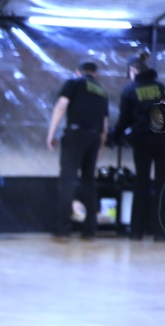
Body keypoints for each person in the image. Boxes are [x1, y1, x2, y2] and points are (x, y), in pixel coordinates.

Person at [113, 52, 165, 240]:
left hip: (141, 141)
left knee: (141, 183)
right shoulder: (161, 87)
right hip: (164, 141)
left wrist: (114, 136)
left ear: (133, 70)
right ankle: (160, 232)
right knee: (162, 184)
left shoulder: (130, 90)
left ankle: (137, 231)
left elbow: (124, 119)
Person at [46, 60, 109, 238]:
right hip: (94, 138)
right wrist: (101, 147)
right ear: (95, 74)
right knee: (89, 183)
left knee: (67, 181)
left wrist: (51, 133)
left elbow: (61, 106)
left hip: (75, 135)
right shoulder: (102, 91)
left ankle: (63, 229)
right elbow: (104, 125)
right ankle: (90, 230)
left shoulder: (74, 82)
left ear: (78, 72)